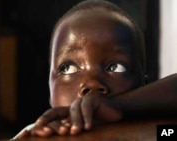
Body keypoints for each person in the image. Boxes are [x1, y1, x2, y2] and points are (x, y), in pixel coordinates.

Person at [12, 0, 177, 140]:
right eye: (68, 68)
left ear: (144, 87)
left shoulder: (161, 131)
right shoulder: (39, 134)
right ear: (50, 89)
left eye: (115, 67)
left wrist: (119, 107)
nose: (92, 84)